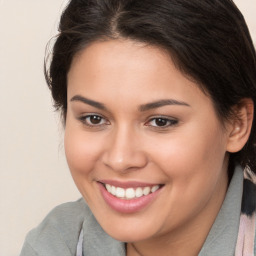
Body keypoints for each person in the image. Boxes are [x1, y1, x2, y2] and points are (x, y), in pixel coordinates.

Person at [20, 0, 256, 255]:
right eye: (94, 119)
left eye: (160, 121)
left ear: (236, 124)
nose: (120, 159)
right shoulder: (53, 244)